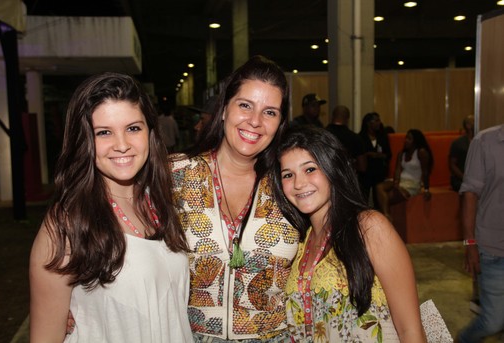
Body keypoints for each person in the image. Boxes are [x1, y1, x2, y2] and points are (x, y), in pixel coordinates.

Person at [29, 72, 193, 342]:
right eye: (104, 132)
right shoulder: (66, 224)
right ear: (85, 142)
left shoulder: (159, 202)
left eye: (133, 128)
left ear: (150, 133)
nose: (122, 145)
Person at [170, 55, 300, 342]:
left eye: (270, 112)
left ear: (280, 123)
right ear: (224, 109)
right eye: (245, 105)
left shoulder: (289, 184)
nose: (254, 121)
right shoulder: (173, 175)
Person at [272, 126, 426, 342]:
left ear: (332, 168)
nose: (298, 183)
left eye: (310, 169)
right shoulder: (299, 244)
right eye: (288, 175)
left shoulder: (369, 227)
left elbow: (410, 330)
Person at [457, 123, 504, 342]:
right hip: (494, 249)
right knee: (493, 321)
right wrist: (470, 243)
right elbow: (470, 195)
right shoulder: (485, 142)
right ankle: (464, 340)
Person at [376, 129, 433, 221]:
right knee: (379, 187)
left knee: (385, 198)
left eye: (409, 139)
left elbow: (425, 172)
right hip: (401, 180)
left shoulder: (421, 152)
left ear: (415, 141)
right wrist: (396, 183)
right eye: (406, 138)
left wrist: (426, 189)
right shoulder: (401, 153)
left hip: (412, 183)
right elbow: (397, 170)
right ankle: (387, 216)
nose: (406, 140)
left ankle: (386, 217)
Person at [358, 112, 392, 209]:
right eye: (376, 120)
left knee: (378, 202)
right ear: (368, 123)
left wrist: (377, 155)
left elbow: (388, 154)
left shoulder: (382, 137)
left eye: (379, 120)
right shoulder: (360, 138)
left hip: (379, 173)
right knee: (363, 201)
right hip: (365, 175)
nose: (379, 123)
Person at [325, 105, 366, 174]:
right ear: (347, 119)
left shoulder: (321, 135)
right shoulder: (355, 138)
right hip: (346, 179)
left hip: (326, 177)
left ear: (332, 116)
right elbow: (362, 167)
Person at [448, 115, 475, 192]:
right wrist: (464, 178)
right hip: (460, 179)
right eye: (474, 121)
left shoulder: (481, 141)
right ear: (468, 126)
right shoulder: (458, 143)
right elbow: (452, 165)